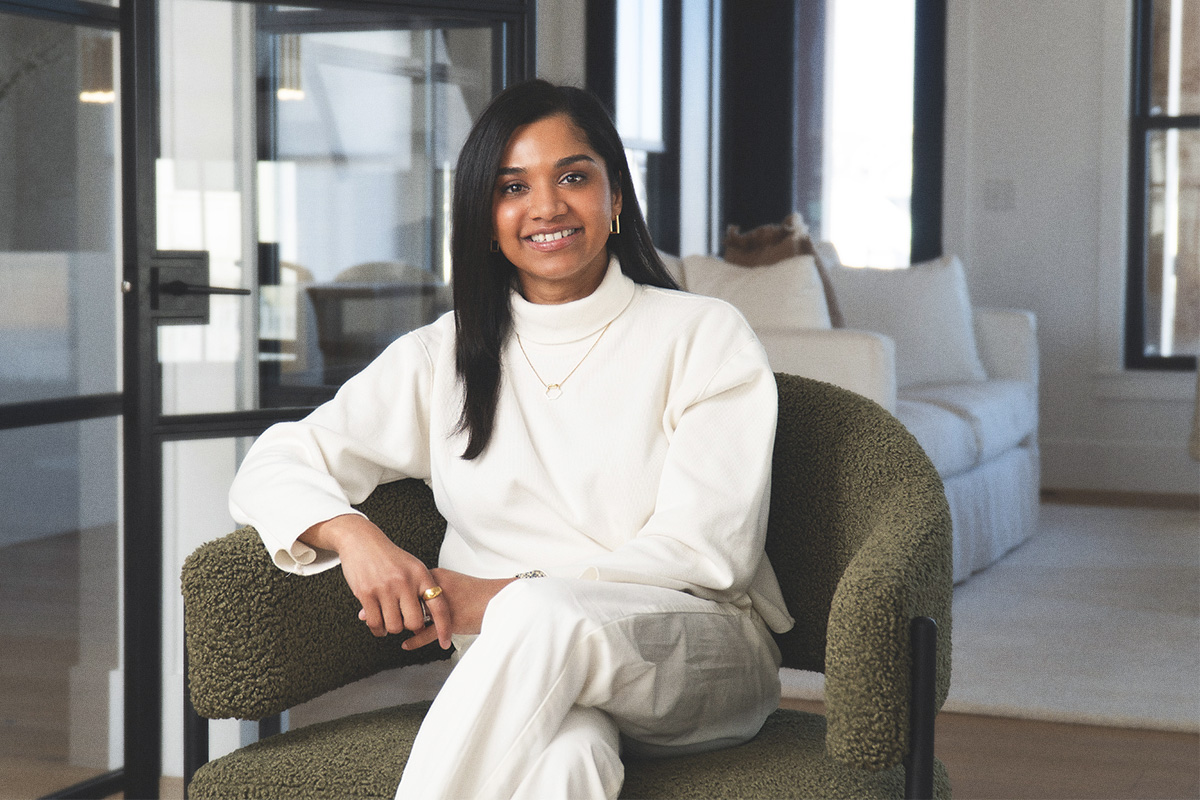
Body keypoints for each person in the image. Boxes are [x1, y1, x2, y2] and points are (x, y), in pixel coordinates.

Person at [229, 79, 795, 800]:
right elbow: (275, 460)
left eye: (573, 177)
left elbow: (706, 554)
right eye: (512, 186)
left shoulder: (702, 335)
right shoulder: (445, 355)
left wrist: (499, 598)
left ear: (615, 198)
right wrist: (355, 536)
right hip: (521, 674)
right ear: (485, 216)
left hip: (691, 654)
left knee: (535, 614)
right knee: (566, 765)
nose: (548, 206)